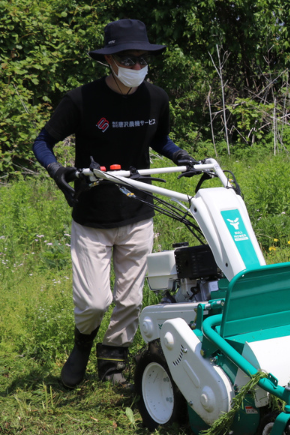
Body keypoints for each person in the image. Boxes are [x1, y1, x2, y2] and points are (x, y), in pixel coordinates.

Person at [32, 19, 198, 389]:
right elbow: (43, 140)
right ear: (109, 61)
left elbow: (161, 140)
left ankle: (112, 361)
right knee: (94, 302)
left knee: (130, 300)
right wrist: (55, 169)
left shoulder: (156, 97)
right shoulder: (81, 100)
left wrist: (180, 155)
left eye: (142, 59)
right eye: (128, 58)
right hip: (93, 215)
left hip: (138, 211)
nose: (136, 66)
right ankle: (81, 346)